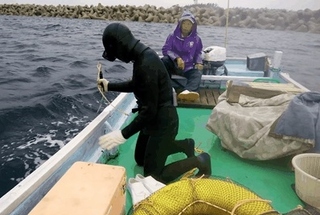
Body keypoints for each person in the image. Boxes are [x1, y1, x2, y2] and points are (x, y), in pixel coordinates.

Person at [97, 22, 211, 184]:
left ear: (121, 46)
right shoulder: (142, 57)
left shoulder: (145, 63)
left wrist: (122, 134)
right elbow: (137, 84)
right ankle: (185, 145)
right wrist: (109, 86)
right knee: (140, 159)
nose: (119, 59)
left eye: (116, 54)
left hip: (164, 123)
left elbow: (149, 111)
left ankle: (201, 161)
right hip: (153, 120)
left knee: (153, 176)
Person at [161, 10, 204, 102]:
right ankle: (164, 88)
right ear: (180, 24)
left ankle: (187, 91)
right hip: (174, 65)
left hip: (188, 67)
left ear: (193, 26)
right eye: (184, 23)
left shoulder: (197, 39)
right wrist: (177, 58)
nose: (186, 26)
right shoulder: (172, 36)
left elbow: (198, 52)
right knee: (164, 61)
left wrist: (199, 62)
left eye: (189, 24)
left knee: (197, 73)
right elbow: (166, 49)